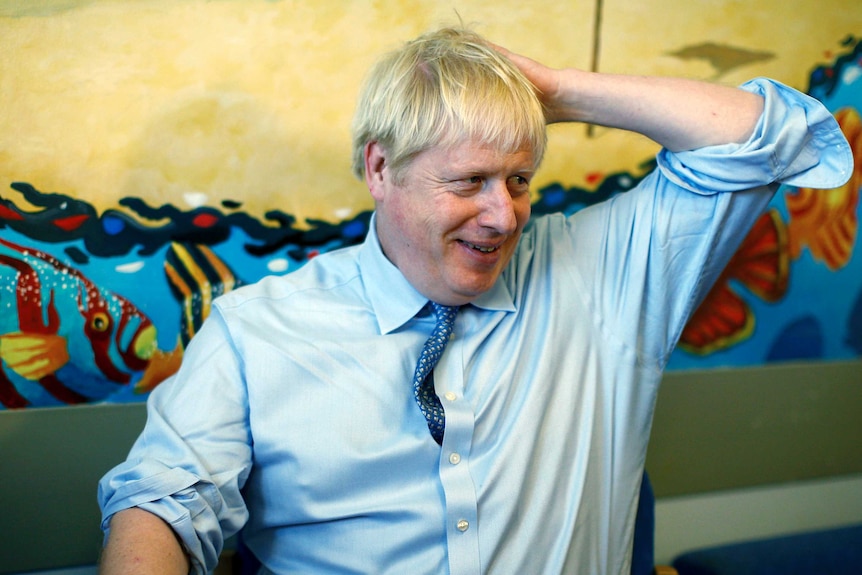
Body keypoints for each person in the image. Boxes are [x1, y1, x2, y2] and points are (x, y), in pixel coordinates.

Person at [97, 27, 851, 575]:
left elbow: (780, 139)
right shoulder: (255, 333)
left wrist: (556, 91)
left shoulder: (600, 279)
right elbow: (163, 502)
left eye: (520, 180)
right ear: (381, 167)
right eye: (469, 182)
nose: (504, 215)